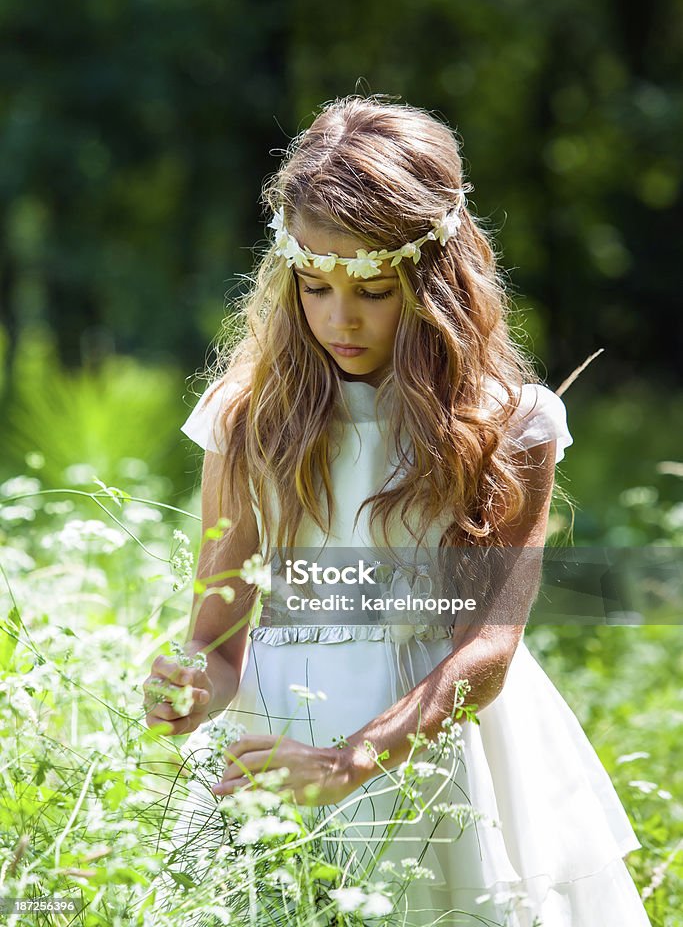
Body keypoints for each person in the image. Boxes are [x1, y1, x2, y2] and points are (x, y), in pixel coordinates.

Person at [144, 96, 652, 925]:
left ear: (434, 281)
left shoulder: (505, 424)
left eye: (374, 291)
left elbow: (487, 645)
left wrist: (352, 761)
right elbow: (219, 633)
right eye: (313, 286)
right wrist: (191, 683)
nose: (339, 318)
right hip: (277, 740)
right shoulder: (247, 418)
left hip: (434, 747)